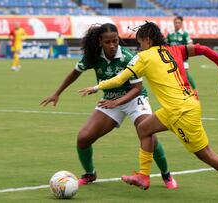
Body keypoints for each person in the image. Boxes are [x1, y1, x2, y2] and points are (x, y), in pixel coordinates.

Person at [79, 22, 218, 201]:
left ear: (147, 40)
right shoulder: (175, 50)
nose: (138, 47)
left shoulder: (143, 57)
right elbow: (202, 49)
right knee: (144, 128)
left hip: (180, 112)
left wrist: (97, 87)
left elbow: (120, 79)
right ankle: (143, 176)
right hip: (181, 106)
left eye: (140, 43)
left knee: (205, 154)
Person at [40, 23, 177, 189]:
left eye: (115, 41)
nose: (112, 45)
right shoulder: (92, 56)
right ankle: (90, 173)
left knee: (147, 132)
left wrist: (117, 102)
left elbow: (137, 88)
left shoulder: (128, 57)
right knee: (83, 138)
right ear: (100, 41)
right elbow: (75, 72)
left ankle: (166, 175)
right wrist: (57, 93)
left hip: (135, 99)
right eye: (108, 42)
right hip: (110, 100)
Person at [167, 16, 198, 97]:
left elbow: (190, 43)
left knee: (186, 73)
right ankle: (177, 90)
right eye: (175, 22)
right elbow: (166, 44)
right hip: (172, 58)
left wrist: (187, 50)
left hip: (182, 57)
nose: (177, 24)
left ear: (181, 24)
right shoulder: (170, 34)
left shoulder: (184, 34)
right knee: (173, 74)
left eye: (179, 23)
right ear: (173, 23)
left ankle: (194, 89)